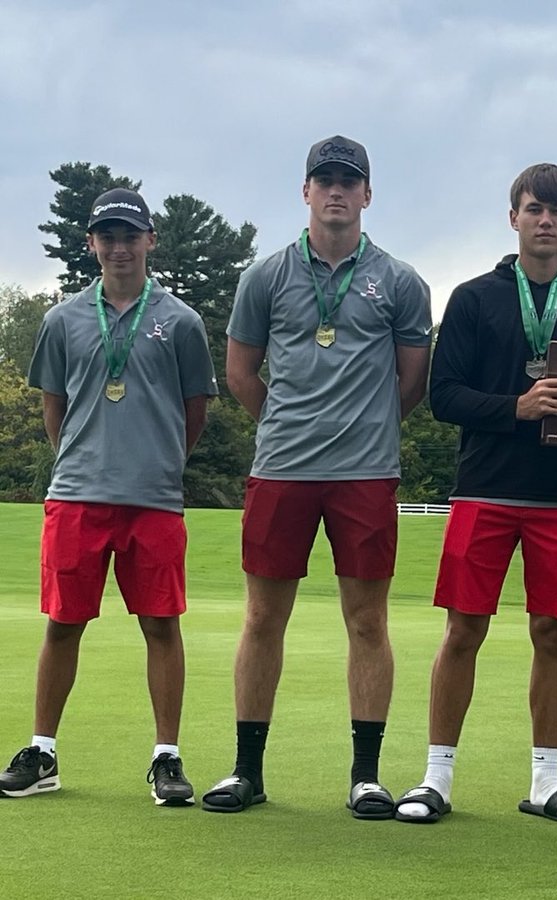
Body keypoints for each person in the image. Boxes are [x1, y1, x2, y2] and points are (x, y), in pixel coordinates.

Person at [201, 136, 432, 818]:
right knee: (263, 617)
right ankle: (247, 771)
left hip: (365, 473)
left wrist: (361, 428)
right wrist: (286, 425)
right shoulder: (265, 276)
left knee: (366, 621)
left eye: (348, 181)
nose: (336, 191)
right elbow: (241, 373)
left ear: (366, 195)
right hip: (281, 471)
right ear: (305, 192)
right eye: (323, 180)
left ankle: (365, 775)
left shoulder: (400, 281)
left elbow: (411, 382)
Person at [393, 163, 557, 828]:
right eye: (533, 209)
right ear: (514, 217)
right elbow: (443, 396)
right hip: (484, 490)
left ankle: (548, 781)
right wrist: (516, 407)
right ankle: (436, 777)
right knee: (463, 629)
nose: (545, 221)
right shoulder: (472, 298)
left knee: (553, 633)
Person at [1, 188, 217, 805]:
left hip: (153, 499)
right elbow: (54, 409)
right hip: (77, 494)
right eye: (108, 236)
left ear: (151, 241)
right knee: (63, 624)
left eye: (131, 235)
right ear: (91, 243)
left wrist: (158, 464)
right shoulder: (63, 318)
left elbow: (192, 411)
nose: (119, 247)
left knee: (161, 625)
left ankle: (167, 758)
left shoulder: (180, 321)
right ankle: (42, 751)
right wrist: (88, 459)